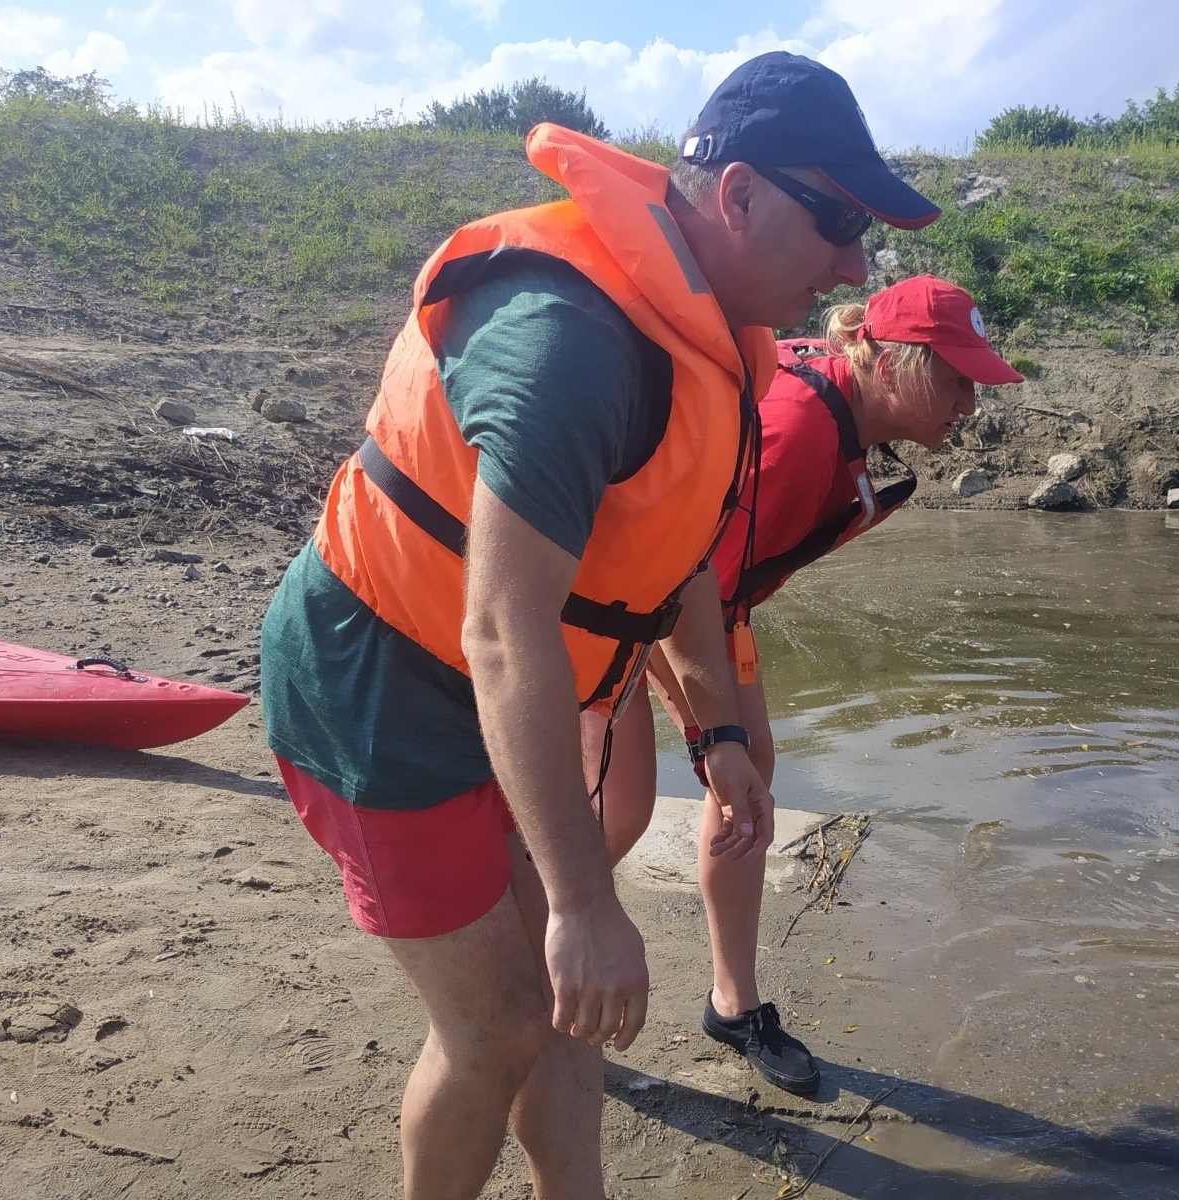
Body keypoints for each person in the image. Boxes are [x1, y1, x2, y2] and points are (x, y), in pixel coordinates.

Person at [259, 51, 941, 1200]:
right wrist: (581, 901)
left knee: (569, 1019)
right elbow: (504, 630)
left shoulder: (712, 339)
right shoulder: (569, 341)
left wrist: (720, 737)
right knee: (500, 1024)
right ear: (738, 195)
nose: (852, 266)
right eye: (837, 224)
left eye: (863, 235)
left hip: (488, 685)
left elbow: (673, 553)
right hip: (379, 683)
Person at [584, 275, 1022, 1096]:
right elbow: (678, 587)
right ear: (889, 364)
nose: (970, 403)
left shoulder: (843, 404)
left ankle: (732, 1004)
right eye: (957, 379)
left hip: (701, 592)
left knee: (749, 779)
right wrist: (709, 739)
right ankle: (532, 993)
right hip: (617, 593)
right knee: (619, 808)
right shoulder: (798, 435)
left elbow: (714, 582)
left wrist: (731, 749)